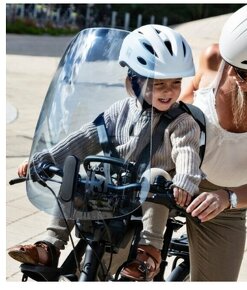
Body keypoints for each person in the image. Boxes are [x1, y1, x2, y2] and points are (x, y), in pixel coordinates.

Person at [8, 24, 202, 281]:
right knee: (73, 173)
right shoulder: (118, 112)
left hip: (154, 194)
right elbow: (86, 137)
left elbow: (187, 152)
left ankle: (149, 253)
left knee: (155, 174)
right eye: (158, 84)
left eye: (175, 83)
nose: (169, 91)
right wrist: (45, 159)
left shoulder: (182, 122)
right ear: (133, 82)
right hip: (115, 188)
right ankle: (50, 245)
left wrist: (185, 180)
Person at [178, 5, 247, 281]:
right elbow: (177, 107)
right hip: (178, 176)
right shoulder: (213, 57)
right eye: (241, 74)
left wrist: (227, 198)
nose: (243, 84)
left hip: (228, 200)